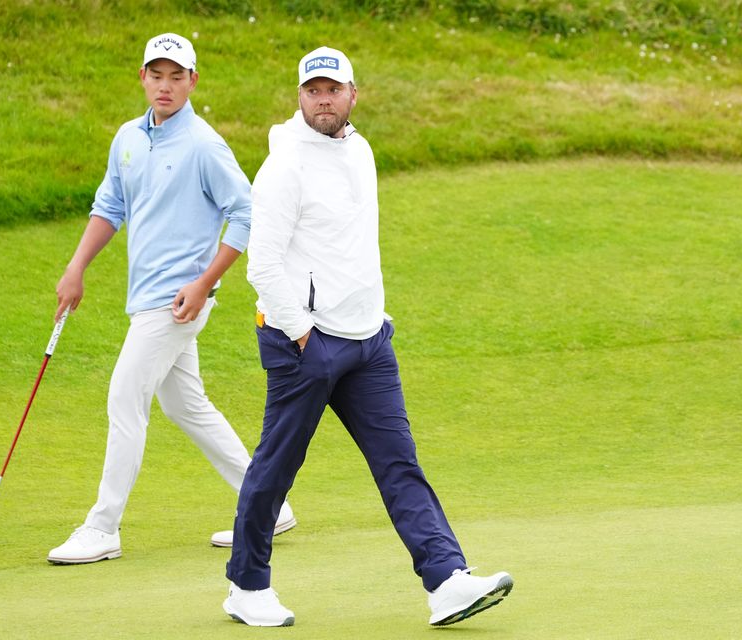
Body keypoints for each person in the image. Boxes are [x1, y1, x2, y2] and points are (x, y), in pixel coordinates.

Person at [221, 46, 513, 627]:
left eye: (332, 89)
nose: (322, 99)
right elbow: (262, 265)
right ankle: (247, 587)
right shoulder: (283, 167)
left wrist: (375, 318)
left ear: (355, 94)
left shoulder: (360, 151)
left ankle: (446, 580)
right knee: (277, 466)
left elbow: (352, 247)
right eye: (312, 91)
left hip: (368, 342)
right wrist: (304, 334)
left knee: (399, 464)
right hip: (303, 344)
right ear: (300, 97)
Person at [46, 32, 296, 565]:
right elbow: (110, 205)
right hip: (147, 297)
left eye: (176, 76)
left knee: (124, 397)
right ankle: (270, 505)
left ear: (192, 81)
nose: (165, 86)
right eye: (156, 75)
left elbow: (247, 213)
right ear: (142, 78)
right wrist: (76, 267)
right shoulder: (129, 138)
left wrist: (204, 282)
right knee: (185, 404)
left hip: (178, 300)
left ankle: (102, 527)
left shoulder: (205, 145)